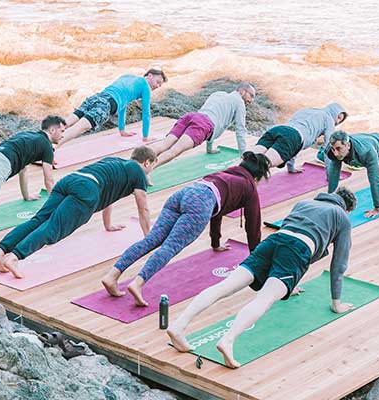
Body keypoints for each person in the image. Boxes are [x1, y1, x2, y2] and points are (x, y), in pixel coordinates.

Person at [167, 187, 357, 368]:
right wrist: (336, 302)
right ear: (347, 209)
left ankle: (178, 326)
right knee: (265, 299)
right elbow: (338, 264)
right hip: (297, 251)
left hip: (273, 241)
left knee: (225, 286)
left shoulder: (305, 203)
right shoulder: (341, 217)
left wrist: (291, 284)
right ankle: (228, 340)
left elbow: (289, 238)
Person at [101, 151, 272, 306]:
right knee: (170, 246)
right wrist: (257, 261)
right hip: (200, 203)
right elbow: (253, 227)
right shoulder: (249, 187)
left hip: (183, 194)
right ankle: (137, 283)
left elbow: (218, 211)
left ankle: (112, 276)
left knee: (151, 239)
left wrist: (215, 243)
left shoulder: (225, 174)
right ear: (256, 177)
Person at [0, 146, 157, 278]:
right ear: (147, 162)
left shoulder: (114, 162)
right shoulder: (138, 172)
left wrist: (108, 225)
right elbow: (144, 209)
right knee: (53, 228)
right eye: (152, 167)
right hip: (87, 190)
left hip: (70, 180)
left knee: (38, 220)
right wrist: (150, 240)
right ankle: (14, 257)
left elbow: (108, 197)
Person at [150, 83, 256, 168]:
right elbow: (240, 130)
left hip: (191, 116)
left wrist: (209, 148)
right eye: (251, 95)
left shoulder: (218, 94)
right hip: (202, 125)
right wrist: (243, 155)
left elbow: (213, 117)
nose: (251, 100)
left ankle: (137, 162)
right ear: (242, 91)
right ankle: (144, 171)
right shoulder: (239, 102)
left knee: (164, 144)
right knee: (175, 151)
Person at [58, 70, 167, 147]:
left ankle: (44, 139)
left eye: (160, 85)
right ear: (150, 76)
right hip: (106, 105)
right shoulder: (146, 87)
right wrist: (145, 137)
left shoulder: (127, 77)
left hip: (96, 98)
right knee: (78, 128)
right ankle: (52, 148)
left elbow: (122, 104)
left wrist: (122, 130)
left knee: (65, 123)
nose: (157, 86)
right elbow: (146, 114)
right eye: (158, 82)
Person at [252, 103, 347, 172]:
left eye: (341, 120)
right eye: (338, 117)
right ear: (334, 113)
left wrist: (291, 167)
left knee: (250, 159)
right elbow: (328, 148)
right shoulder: (329, 120)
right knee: (263, 164)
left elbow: (295, 145)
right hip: (292, 136)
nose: (338, 122)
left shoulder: (308, 109)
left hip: (278, 129)